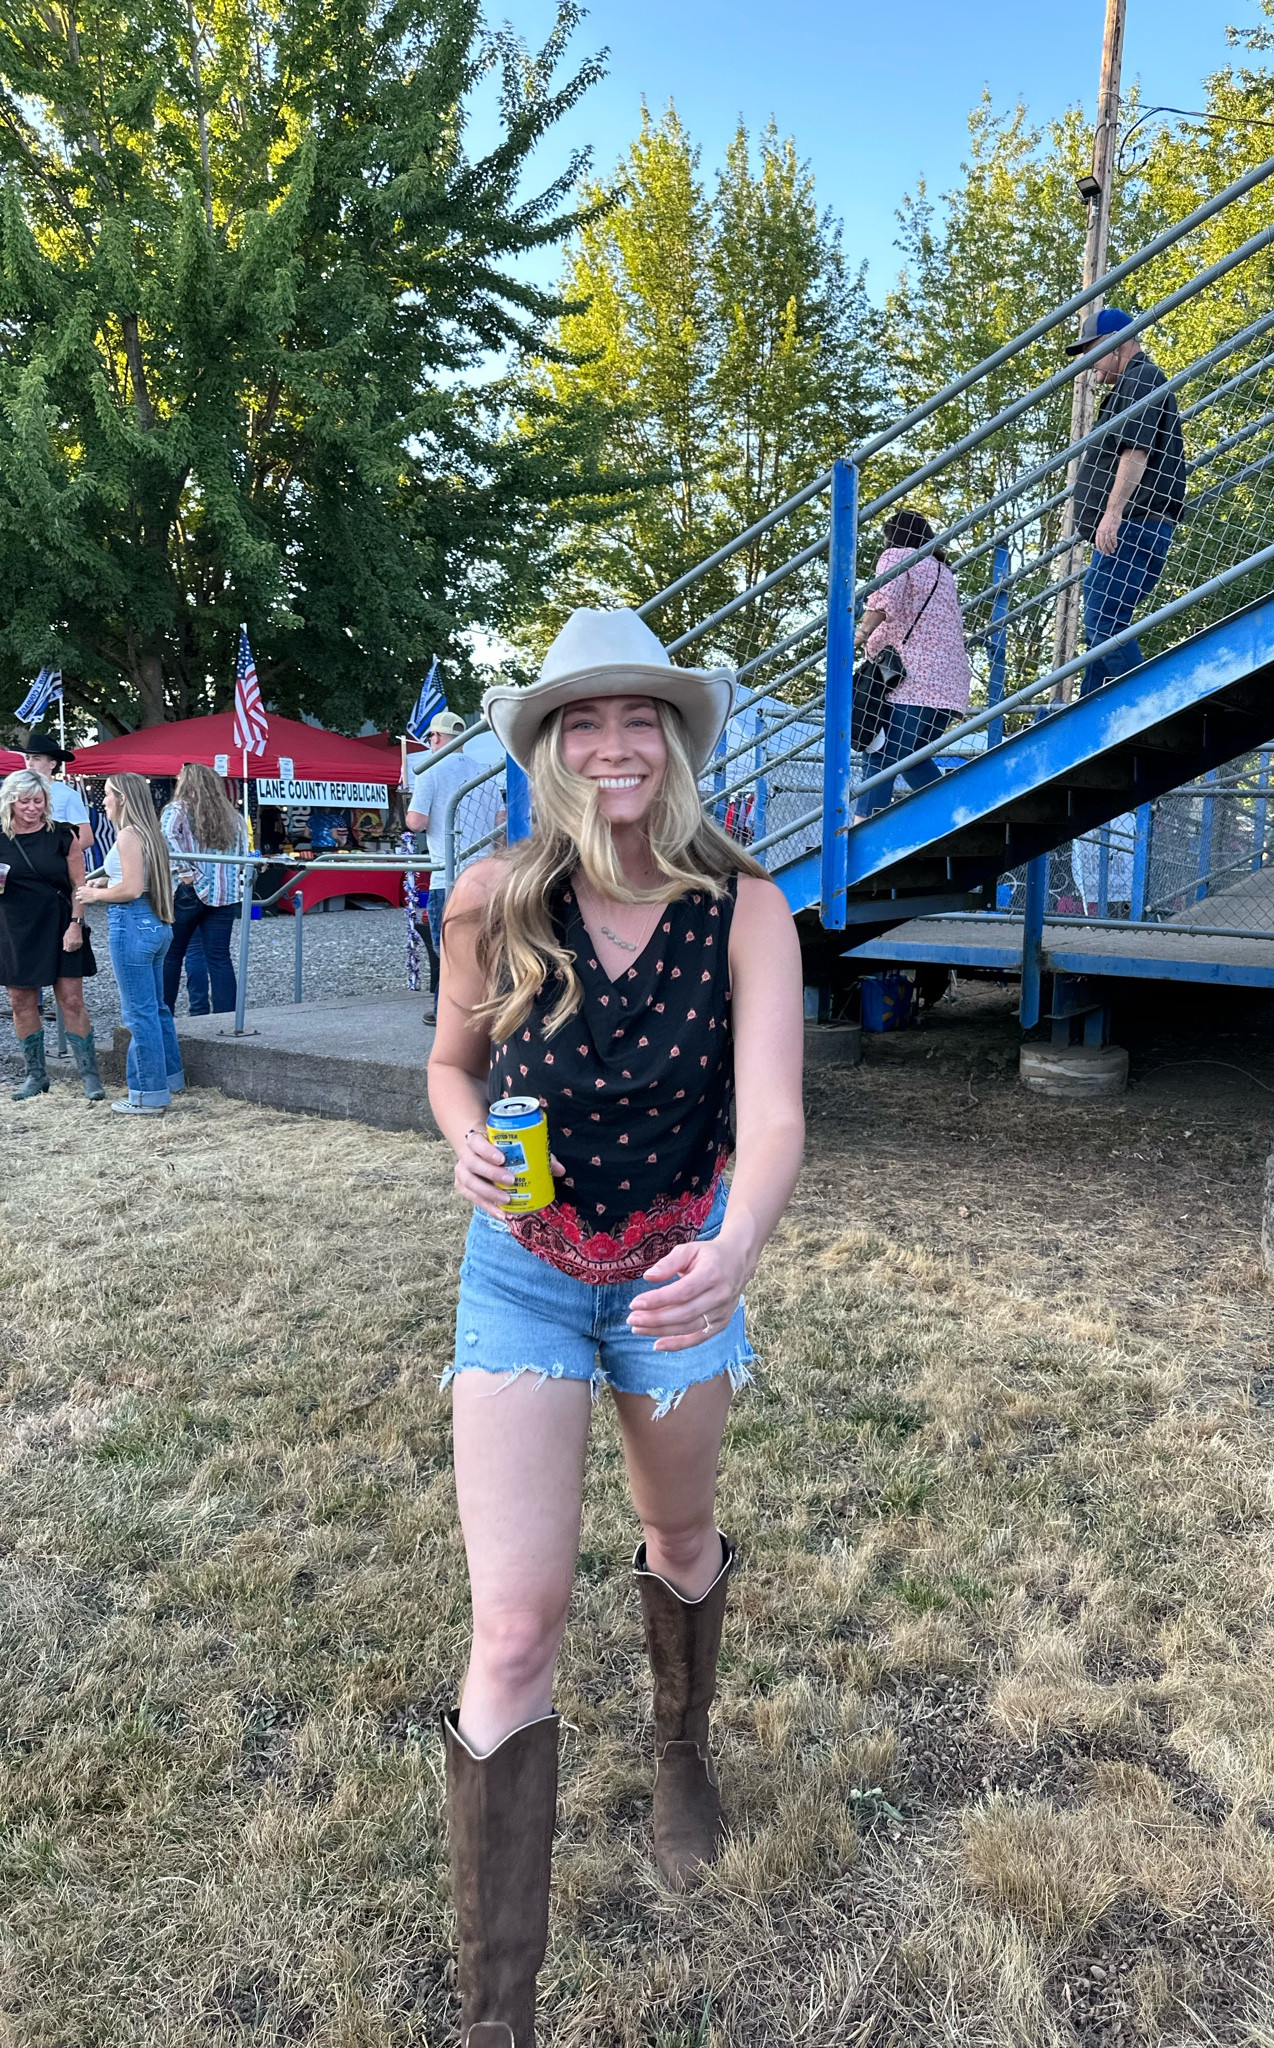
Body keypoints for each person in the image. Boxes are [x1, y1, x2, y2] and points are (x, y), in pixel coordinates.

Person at [428, 608, 804, 2047]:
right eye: (580, 721)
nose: (612, 745)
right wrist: (464, 1138)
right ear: (546, 748)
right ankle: (498, 2018)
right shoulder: (493, 898)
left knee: (678, 1535)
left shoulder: (745, 907)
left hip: (676, 1274)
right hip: (522, 1268)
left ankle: (681, 1753)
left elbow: (775, 1116)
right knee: (515, 1624)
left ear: (675, 738)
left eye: (637, 716)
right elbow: (451, 1065)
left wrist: (733, 1250)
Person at [1067, 307, 1188, 697]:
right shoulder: (1130, 383)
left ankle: (1148, 704)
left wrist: (1112, 513)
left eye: (1091, 351)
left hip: (1132, 525)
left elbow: (1135, 452)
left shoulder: (1140, 378)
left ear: (1117, 342)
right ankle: (1091, 717)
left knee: (1103, 622)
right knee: (1100, 628)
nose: (1087, 364)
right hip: (1132, 525)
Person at [76, 773, 184, 1116]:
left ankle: (147, 1094)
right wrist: (109, 882)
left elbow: (132, 889)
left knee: (139, 1013)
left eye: (108, 794)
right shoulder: (149, 832)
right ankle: (170, 1078)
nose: (103, 800)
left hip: (132, 923)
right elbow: (140, 880)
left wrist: (94, 894)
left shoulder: (126, 834)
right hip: (156, 922)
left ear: (122, 798)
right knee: (156, 1008)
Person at [852, 510, 972, 818]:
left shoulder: (896, 557)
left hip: (909, 679)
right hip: (948, 685)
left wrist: (860, 635)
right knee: (912, 758)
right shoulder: (942, 571)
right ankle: (955, 818)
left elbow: (884, 600)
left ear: (892, 536)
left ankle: (863, 830)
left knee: (881, 753)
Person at [0, 769, 103, 1102]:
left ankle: (89, 1076)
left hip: (60, 923)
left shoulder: (62, 834)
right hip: (14, 927)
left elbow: (79, 886)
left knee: (71, 1000)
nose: (32, 807)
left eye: (38, 800)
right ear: (10, 802)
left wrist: (76, 923)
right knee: (21, 1002)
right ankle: (36, 1076)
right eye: (24, 801)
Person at [406, 708, 480, 1026]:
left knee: (446, 951)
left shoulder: (430, 771)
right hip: (483, 872)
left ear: (436, 737)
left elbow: (416, 822)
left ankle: (447, 1011)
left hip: (445, 874)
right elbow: (500, 823)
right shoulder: (485, 771)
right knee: (481, 946)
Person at [160, 762, 245, 1015]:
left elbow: (165, 837)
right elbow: (243, 853)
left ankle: (164, 1016)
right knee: (219, 957)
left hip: (189, 890)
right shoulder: (233, 816)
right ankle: (227, 1019)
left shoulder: (177, 810)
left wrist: (186, 872)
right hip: (225, 893)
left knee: (172, 954)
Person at [22, 730, 94, 854]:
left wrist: (58, 858)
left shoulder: (67, 795)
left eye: (36, 758)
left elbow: (86, 838)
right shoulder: (18, 793)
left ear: (52, 764)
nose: (30, 763)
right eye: (28, 758)